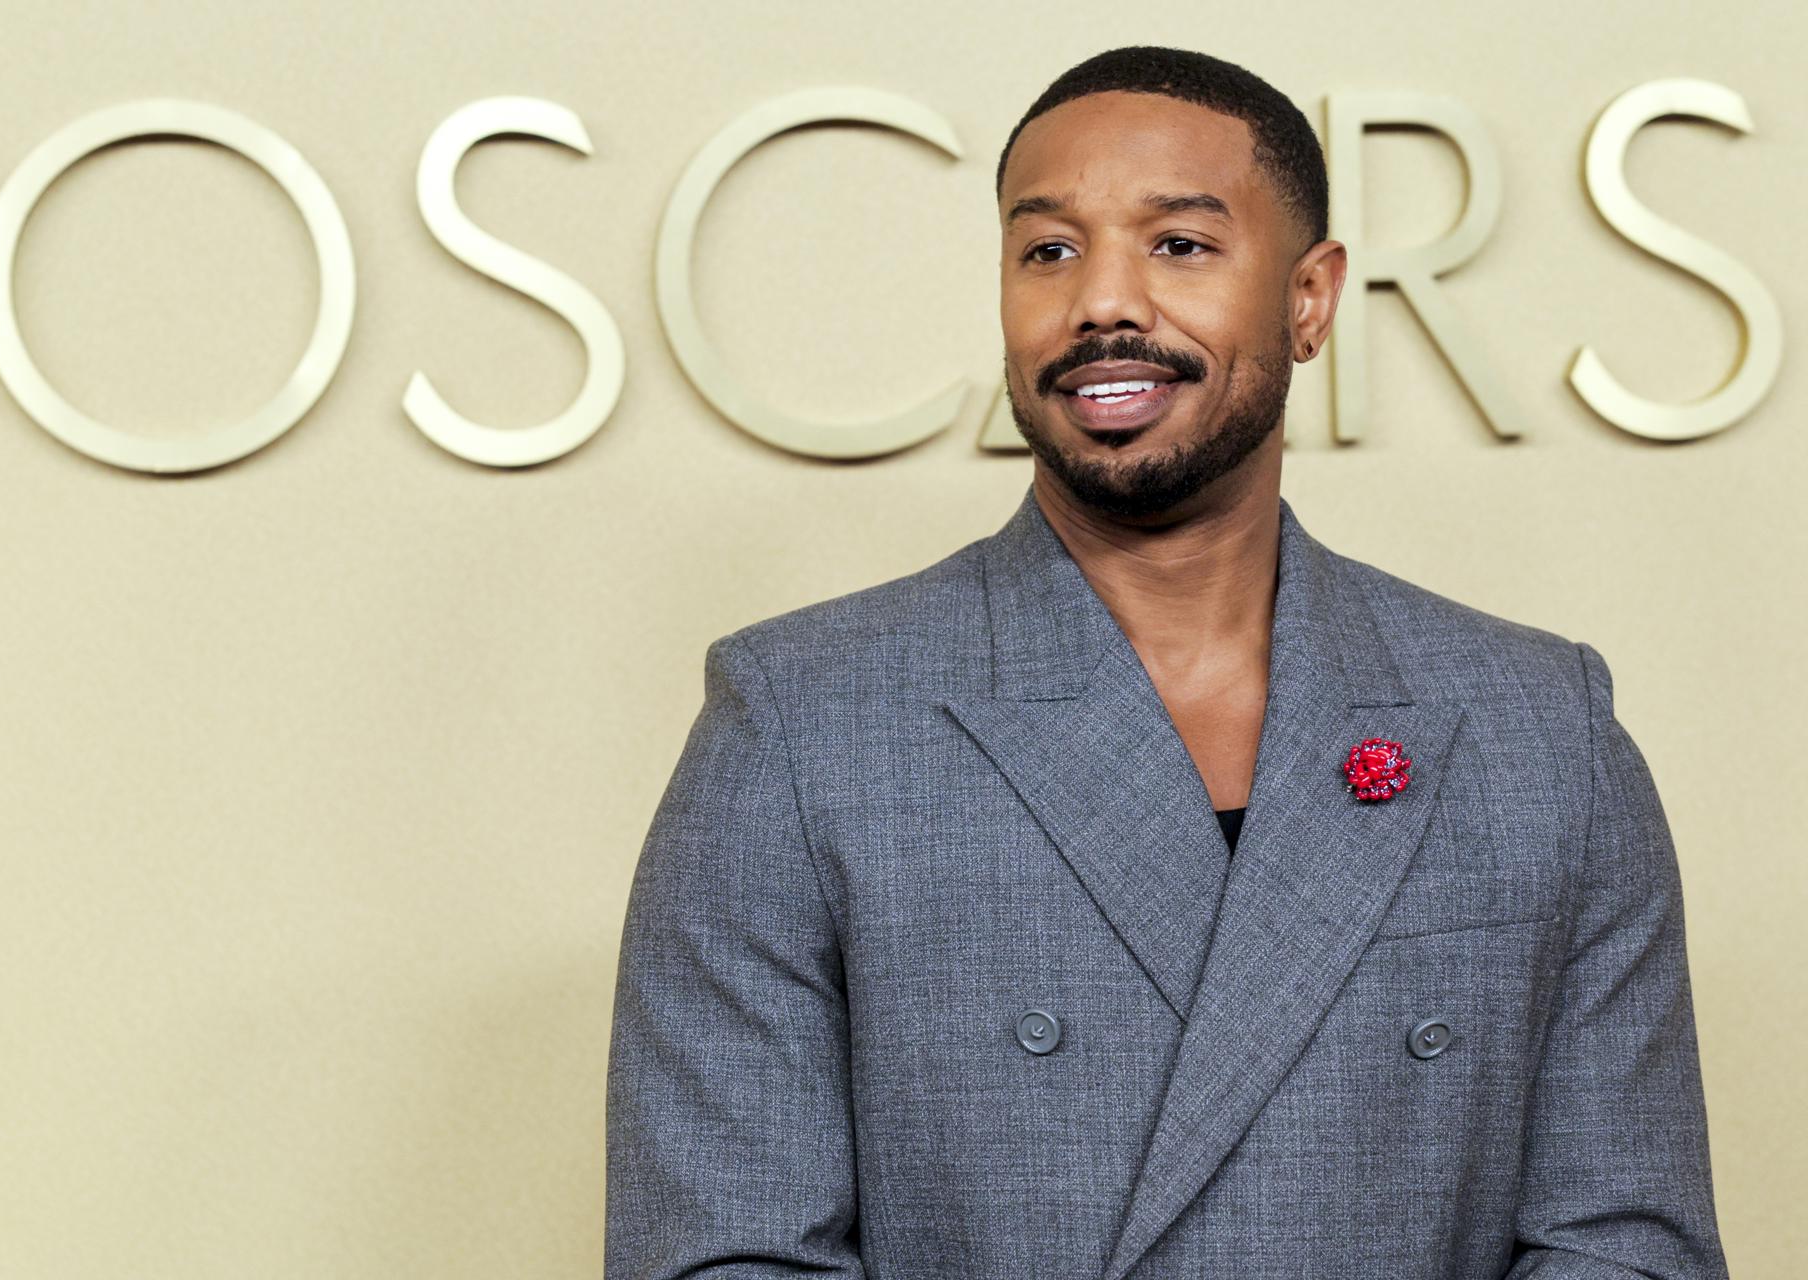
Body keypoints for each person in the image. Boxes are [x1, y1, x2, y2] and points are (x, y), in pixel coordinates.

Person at [604, 45, 1728, 1279]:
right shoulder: (799, 726)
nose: (1103, 303)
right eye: (1049, 250)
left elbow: (1624, 1244)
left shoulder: (1538, 731)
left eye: (1180, 245)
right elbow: (722, 1252)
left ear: (1310, 299)